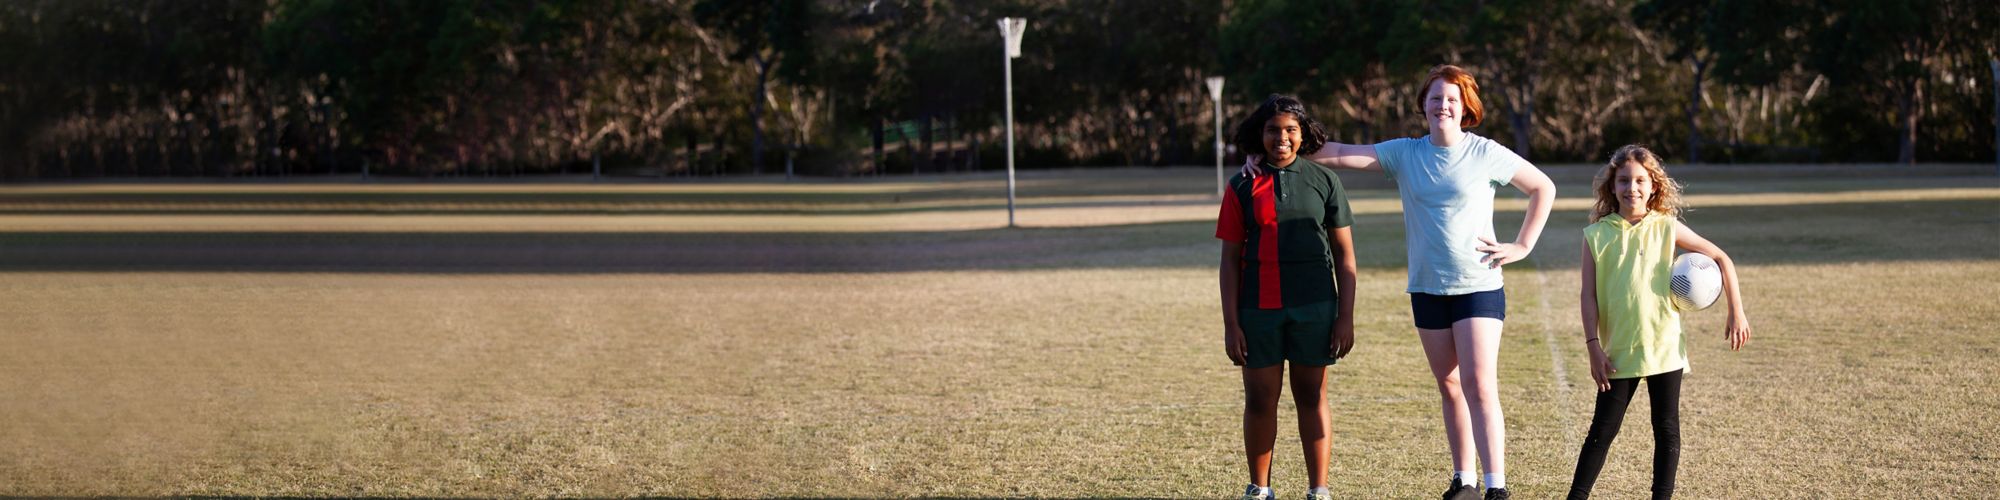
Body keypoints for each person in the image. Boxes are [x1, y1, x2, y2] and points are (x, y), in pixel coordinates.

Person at [1242, 64, 1556, 500]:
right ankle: (1463, 480)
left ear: (1465, 106)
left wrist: (1521, 245)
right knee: (1449, 385)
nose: (1443, 105)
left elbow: (1543, 187)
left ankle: (1496, 485)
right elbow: (1337, 152)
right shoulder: (1406, 152)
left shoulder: (1486, 152)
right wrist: (1271, 150)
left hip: (1478, 284)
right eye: (1435, 98)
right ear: (1423, 106)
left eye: (1451, 98)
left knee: (1479, 384)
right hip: (1427, 286)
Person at [1567, 145, 1751, 500]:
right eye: (1624, 180)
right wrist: (1593, 346)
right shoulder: (1596, 236)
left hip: (1664, 347)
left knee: (1666, 430)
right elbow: (1587, 295)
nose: (1631, 188)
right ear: (1612, 186)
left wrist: (1736, 310)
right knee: (1601, 431)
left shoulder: (1667, 228)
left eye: (1640, 180)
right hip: (1618, 351)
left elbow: (1721, 258)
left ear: (1654, 186)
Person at [1216, 94, 1357, 500]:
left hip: (1316, 308)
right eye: (1273, 130)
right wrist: (1231, 324)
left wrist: (1344, 316)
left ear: (1303, 135)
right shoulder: (1242, 184)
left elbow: (1346, 256)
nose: (1282, 138)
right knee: (1260, 398)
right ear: (1259, 135)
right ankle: (1259, 489)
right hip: (1257, 310)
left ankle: (1319, 489)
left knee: (1311, 395)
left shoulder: (1324, 180)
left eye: (1291, 130)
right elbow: (1228, 261)